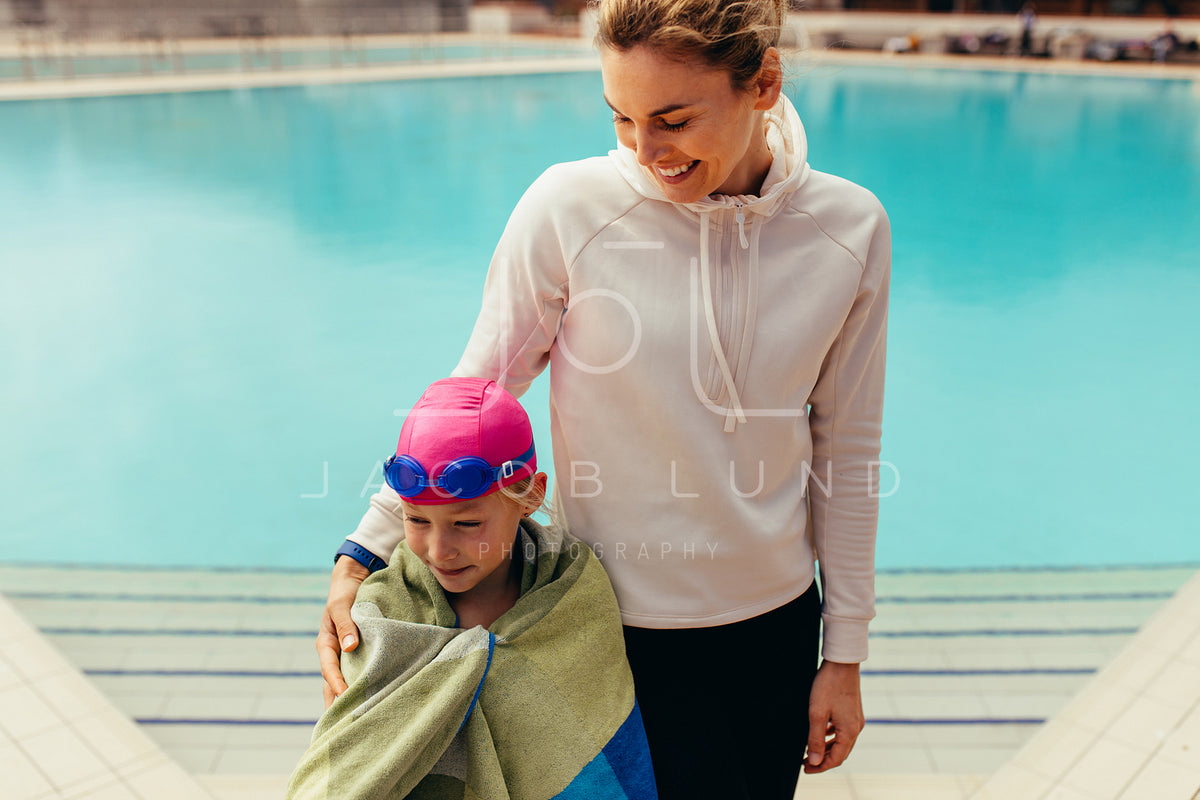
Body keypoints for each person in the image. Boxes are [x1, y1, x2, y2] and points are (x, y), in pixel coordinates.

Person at [320, 1, 891, 797]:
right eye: (622, 116)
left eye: (673, 120)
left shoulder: (850, 228)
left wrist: (845, 654)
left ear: (762, 84)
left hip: (772, 631)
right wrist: (364, 552)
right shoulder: (569, 208)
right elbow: (478, 390)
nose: (644, 150)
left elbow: (848, 447)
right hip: (599, 631)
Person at [290, 377, 657, 799]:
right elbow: (353, 768)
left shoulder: (573, 597)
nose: (439, 550)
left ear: (531, 496)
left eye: (466, 524)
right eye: (416, 520)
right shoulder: (381, 615)